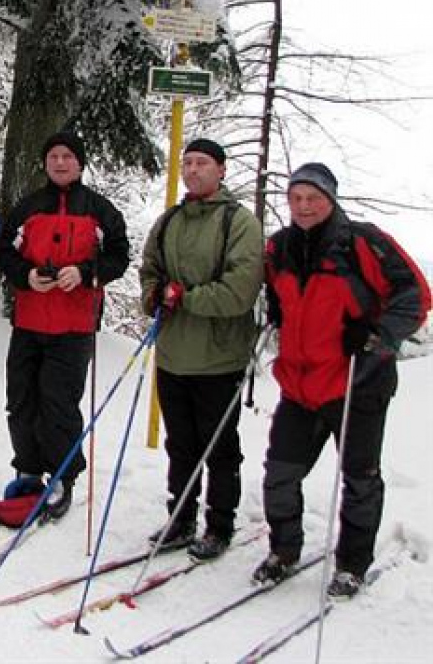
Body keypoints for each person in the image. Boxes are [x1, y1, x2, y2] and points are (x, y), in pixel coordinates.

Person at [253, 162, 430, 598]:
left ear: (330, 199)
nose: (304, 206)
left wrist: (378, 333)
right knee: (279, 474)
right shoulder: (279, 248)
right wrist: (276, 316)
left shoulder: (363, 242)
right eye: (296, 198)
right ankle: (284, 551)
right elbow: (278, 296)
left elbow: (415, 294)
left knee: (358, 478)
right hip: (299, 384)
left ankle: (352, 564)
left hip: (358, 381)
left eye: (313, 198)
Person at [138, 138, 263, 561]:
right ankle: (181, 517)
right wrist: (154, 294)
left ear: (221, 169)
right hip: (173, 353)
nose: (192, 170)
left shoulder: (239, 222)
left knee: (219, 447)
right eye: (187, 162)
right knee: (181, 444)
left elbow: (239, 292)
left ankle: (220, 525)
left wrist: (184, 296)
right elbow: (149, 269)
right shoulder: (170, 219)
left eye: (202, 163)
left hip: (218, 357)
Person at [0, 131, 129, 520]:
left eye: (67, 156)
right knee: (21, 399)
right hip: (29, 321)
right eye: (53, 156)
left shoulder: (100, 211)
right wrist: (26, 275)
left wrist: (85, 274)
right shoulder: (28, 207)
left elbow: (119, 256)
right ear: (44, 162)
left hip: (73, 326)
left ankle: (62, 476)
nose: (59, 162)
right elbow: (5, 251)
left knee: (58, 403)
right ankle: (28, 469)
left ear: (80, 163)